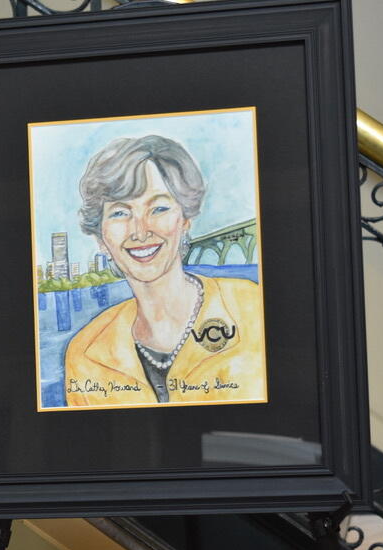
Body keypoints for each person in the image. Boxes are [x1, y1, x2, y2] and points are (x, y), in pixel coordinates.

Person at [63, 134, 266, 407]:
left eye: (158, 208)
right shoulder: (85, 352)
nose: (140, 231)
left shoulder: (252, 308)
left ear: (185, 220)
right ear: (101, 237)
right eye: (120, 213)